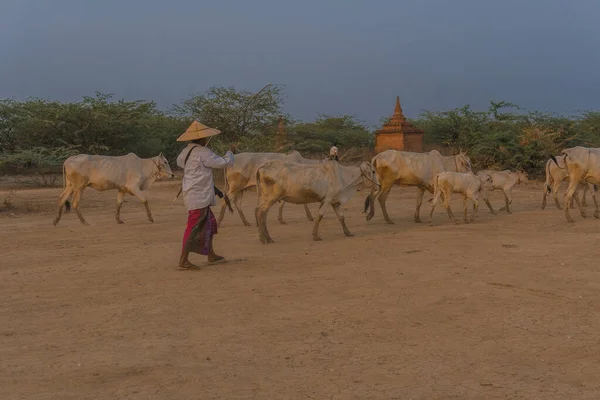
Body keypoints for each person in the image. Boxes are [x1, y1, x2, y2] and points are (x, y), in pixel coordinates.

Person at [175, 121, 234, 268]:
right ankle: (183, 260)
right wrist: (230, 152)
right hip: (198, 195)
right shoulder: (203, 152)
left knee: (210, 224)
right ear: (203, 139)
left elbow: (180, 163)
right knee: (193, 226)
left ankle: (211, 254)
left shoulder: (185, 152)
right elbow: (222, 162)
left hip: (193, 192)